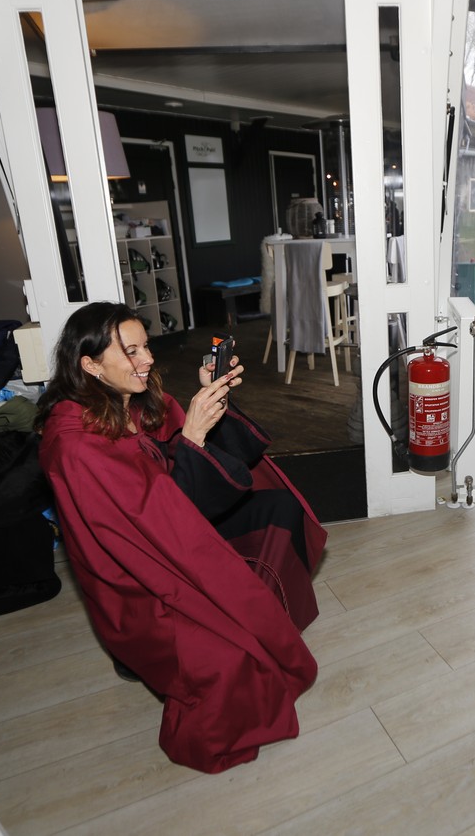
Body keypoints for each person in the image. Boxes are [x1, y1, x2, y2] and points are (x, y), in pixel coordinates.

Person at [36, 301, 326, 773]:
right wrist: (191, 438)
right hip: (143, 583)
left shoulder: (132, 399)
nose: (147, 359)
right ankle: (236, 628)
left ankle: (264, 615)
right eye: (131, 351)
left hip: (177, 536)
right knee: (231, 665)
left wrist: (210, 401)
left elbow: (177, 473)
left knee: (280, 510)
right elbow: (155, 523)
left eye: (145, 346)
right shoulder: (75, 445)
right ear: (89, 365)